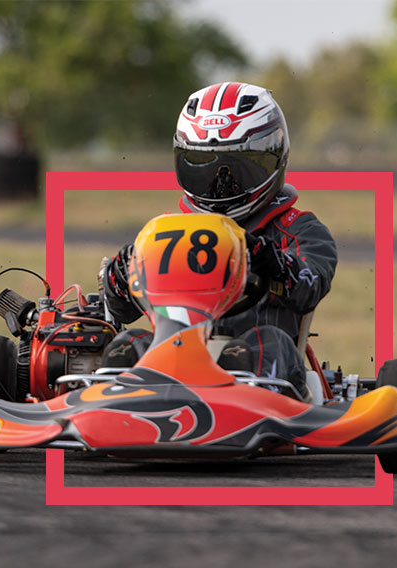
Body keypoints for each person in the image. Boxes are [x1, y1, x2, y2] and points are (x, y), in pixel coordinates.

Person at [98, 81, 337, 397]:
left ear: (274, 157)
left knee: (269, 343)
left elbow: (311, 285)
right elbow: (122, 312)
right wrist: (120, 274)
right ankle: (113, 406)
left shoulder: (300, 229)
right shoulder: (169, 233)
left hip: (254, 365)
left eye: (237, 168)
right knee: (127, 343)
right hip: (174, 354)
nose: (220, 186)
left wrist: (271, 263)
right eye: (205, 166)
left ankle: (246, 402)